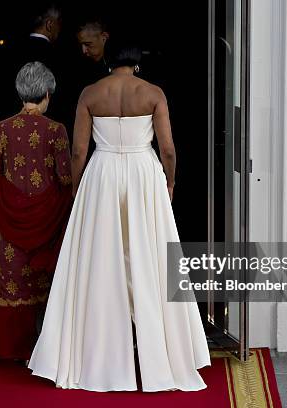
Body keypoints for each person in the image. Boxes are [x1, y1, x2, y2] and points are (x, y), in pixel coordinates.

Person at [28, 41, 210, 391]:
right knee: (151, 258)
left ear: (109, 62)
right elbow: (168, 148)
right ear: (137, 64)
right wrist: (169, 181)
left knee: (100, 260)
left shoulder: (91, 92)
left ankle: (96, 355)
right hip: (144, 173)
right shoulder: (153, 92)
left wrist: (77, 188)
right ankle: (161, 357)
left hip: (104, 173)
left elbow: (79, 149)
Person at [0, 62, 73, 362]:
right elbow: (66, 177)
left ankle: (9, 349)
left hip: (10, 220)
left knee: (12, 278)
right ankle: (45, 351)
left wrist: (10, 197)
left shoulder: (3, 128)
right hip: (47, 220)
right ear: (47, 93)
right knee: (45, 282)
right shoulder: (56, 130)